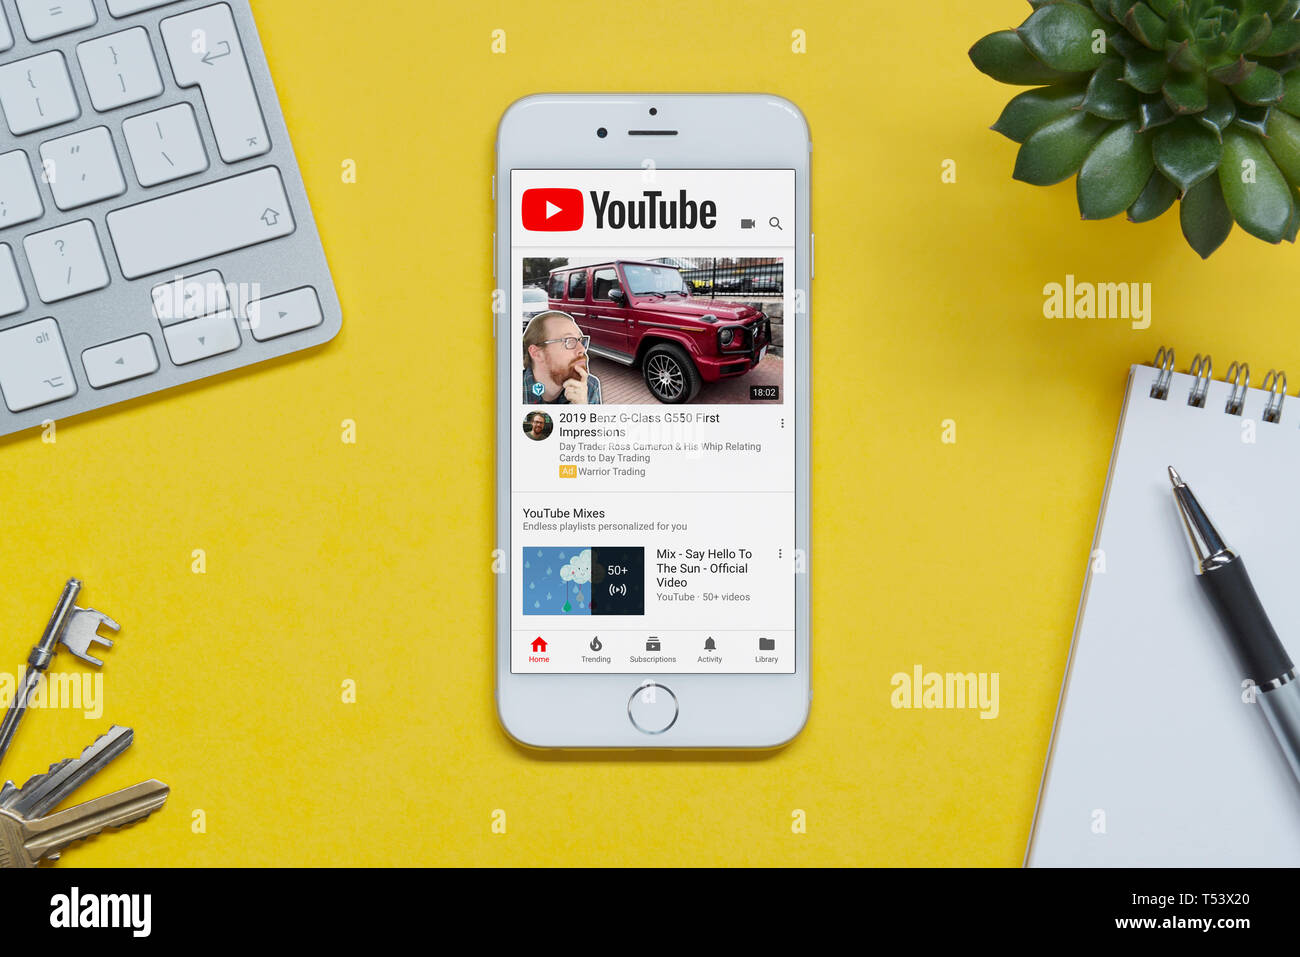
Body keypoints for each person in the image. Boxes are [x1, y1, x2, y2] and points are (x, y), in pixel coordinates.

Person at [522, 311, 601, 405]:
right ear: (537, 353)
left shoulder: (589, 386)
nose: (582, 349)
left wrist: (582, 409)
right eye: (569, 341)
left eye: (580, 340)